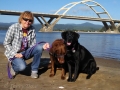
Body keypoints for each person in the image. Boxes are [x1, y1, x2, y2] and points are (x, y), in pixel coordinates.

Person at [3, 11, 50, 79]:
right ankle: (13, 67)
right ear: (21, 19)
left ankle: (34, 71)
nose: (27, 22)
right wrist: (15, 54)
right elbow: (6, 43)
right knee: (22, 67)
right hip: (14, 53)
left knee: (39, 47)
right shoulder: (13, 27)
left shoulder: (32, 29)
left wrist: (42, 46)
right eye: (25, 19)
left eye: (30, 20)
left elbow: (33, 46)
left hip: (25, 52)